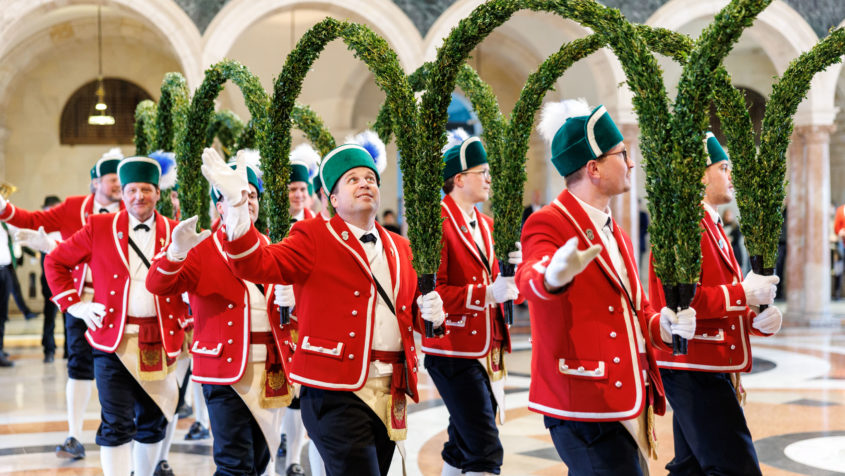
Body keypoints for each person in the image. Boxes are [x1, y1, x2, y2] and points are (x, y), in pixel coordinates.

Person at [202, 143, 446, 475]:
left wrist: (431, 313)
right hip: (335, 390)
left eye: (370, 178)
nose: (364, 183)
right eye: (353, 179)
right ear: (332, 198)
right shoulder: (312, 235)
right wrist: (237, 210)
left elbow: (403, 314)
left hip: (391, 388)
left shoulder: (401, 246)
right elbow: (254, 264)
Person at [516, 100, 691, 475]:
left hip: (623, 396)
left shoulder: (618, 231)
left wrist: (664, 324)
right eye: (622, 154)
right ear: (593, 168)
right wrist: (552, 276)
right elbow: (530, 276)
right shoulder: (548, 222)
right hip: (583, 400)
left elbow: (635, 310)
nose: (631, 163)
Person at [147, 151, 291, 475]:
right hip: (222, 369)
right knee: (233, 463)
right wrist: (175, 252)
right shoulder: (199, 249)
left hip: (270, 369)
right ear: (220, 204)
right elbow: (157, 285)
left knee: (260, 459)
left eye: (251, 195)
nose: (246, 201)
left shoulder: (272, 246)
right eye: (236, 194)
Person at [648, 132, 782, 476]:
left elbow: (716, 296)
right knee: (736, 468)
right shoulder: (684, 223)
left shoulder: (710, 221)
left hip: (704, 364)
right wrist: (744, 295)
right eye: (724, 167)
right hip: (694, 367)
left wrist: (754, 321)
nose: (731, 175)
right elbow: (678, 298)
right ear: (701, 174)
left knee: (690, 469)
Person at [45, 156, 187, 476]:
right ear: (122, 194)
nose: (139, 196)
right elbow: (56, 261)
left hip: (159, 340)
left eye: (147, 189)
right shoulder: (98, 226)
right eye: (132, 190)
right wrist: (74, 304)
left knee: (153, 420)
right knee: (116, 423)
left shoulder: (175, 231)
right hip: (112, 340)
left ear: (158, 193)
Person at [0, 147, 125, 460]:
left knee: (122, 368)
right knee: (78, 367)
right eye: (112, 180)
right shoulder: (73, 207)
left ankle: (126, 434)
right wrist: (3, 207)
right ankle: (74, 436)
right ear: (95, 182)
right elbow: (32, 219)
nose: (118, 187)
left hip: (119, 302)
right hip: (79, 300)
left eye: (119, 180)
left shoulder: (132, 209)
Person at [423, 135, 522, 475]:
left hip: (486, 349)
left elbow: (502, 286)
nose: (489, 178)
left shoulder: (489, 225)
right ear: (459, 179)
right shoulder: (436, 224)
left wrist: (513, 279)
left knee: (462, 443)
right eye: (482, 172)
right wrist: (488, 294)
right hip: (454, 352)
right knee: (485, 449)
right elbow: (432, 292)